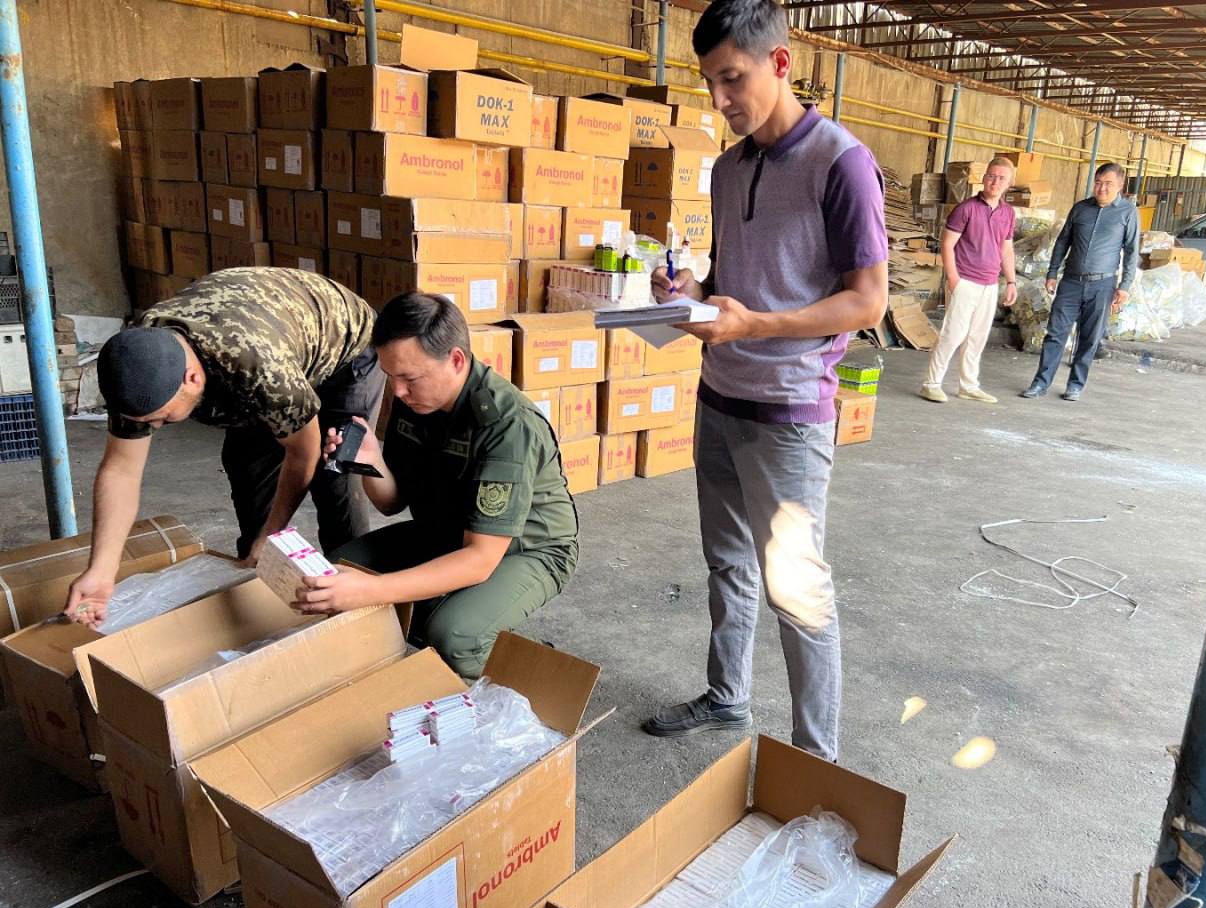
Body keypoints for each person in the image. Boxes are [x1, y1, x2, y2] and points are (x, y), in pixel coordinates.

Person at [640, 0, 889, 762]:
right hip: (719, 397)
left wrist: (754, 325)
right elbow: (734, 277)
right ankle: (727, 696)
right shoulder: (727, 168)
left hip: (788, 413)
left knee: (798, 591)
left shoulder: (841, 164)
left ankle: (815, 761)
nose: (720, 100)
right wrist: (689, 289)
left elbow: (867, 301)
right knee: (727, 563)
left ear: (780, 63)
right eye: (710, 83)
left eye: (733, 79)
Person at [64, 267, 385, 626]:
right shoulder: (139, 364)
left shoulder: (257, 368)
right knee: (247, 463)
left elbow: (303, 452)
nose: (152, 428)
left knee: (334, 473)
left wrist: (273, 533)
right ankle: (256, 573)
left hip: (343, 346)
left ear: (192, 379)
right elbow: (120, 470)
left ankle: (356, 603)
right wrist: (101, 571)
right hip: (272, 338)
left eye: (163, 419)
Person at [292, 292, 578, 679]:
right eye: (391, 377)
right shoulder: (416, 399)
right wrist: (371, 462)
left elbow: (480, 559)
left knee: (454, 635)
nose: (398, 391)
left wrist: (371, 590)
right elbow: (392, 503)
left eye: (410, 378)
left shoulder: (507, 426)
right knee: (335, 571)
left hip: (526, 548)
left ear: (456, 360)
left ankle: (521, 679)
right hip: (447, 530)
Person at [1020, 163, 1137, 401]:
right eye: (1098, 183)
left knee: (1090, 337)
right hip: (1071, 283)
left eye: (1108, 184)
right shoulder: (1081, 208)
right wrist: (1052, 273)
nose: (1102, 188)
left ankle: (1075, 385)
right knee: (1055, 333)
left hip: (1102, 285)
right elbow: (1063, 242)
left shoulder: (1127, 212)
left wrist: (1125, 286)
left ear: (1120, 185)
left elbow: (1132, 251)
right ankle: (1040, 383)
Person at [920, 157, 1018, 404]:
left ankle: (969, 385)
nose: (995, 181)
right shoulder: (966, 209)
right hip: (965, 280)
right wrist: (953, 278)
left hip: (990, 283)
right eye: (991, 176)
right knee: (953, 334)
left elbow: (1006, 249)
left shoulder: (1008, 213)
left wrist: (1011, 282)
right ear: (983, 178)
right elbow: (947, 244)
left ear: (1009, 183)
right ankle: (931, 383)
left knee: (977, 337)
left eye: (1001, 178)